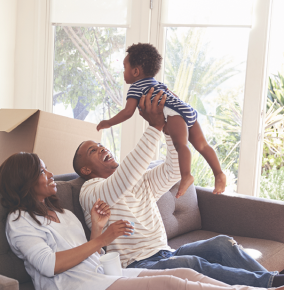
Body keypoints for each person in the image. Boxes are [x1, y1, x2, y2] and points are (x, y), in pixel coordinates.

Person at [78, 87, 284, 289]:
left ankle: (276, 282)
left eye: (101, 145)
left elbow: (173, 171)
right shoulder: (91, 191)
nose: (102, 149)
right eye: (93, 151)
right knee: (193, 263)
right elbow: (122, 180)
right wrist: (153, 127)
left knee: (222, 243)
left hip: (165, 253)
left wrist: (170, 126)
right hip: (137, 265)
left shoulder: (140, 181)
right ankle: (275, 287)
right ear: (86, 170)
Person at [0, 152, 284, 290]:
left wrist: (97, 229)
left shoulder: (62, 214)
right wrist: (101, 237)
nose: (49, 175)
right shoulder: (22, 220)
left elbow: (91, 257)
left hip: (102, 275)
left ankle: (264, 285)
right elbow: (51, 266)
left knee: (188, 272)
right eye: (41, 171)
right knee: (172, 284)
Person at [96, 42, 226, 197]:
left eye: (125, 68)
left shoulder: (136, 87)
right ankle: (218, 174)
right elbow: (173, 97)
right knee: (203, 145)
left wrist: (108, 122)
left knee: (181, 144)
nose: (123, 72)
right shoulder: (158, 84)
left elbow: (128, 112)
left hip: (173, 113)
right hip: (186, 108)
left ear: (136, 71)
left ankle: (186, 175)